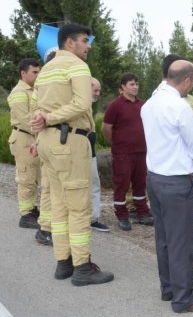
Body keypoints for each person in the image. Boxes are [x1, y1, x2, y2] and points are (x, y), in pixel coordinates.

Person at [30, 23, 113, 286]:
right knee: (78, 207)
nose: (88, 46)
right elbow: (81, 103)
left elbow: (37, 110)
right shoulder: (77, 66)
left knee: (58, 204)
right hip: (69, 140)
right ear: (70, 43)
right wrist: (52, 118)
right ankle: (82, 268)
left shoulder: (45, 70)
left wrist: (43, 124)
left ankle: (63, 263)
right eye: (85, 41)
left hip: (47, 142)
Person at [141, 59, 193, 313]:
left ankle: (169, 288)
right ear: (186, 80)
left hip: (155, 178)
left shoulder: (149, 104)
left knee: (164, 237)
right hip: (177, 182)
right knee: (182, 240)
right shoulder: (180, 107)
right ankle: (184, 298)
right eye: (191, 83)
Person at [102, 73, 152, 231]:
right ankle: (122, 215)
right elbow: (106, 128)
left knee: (140, 183)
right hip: (122, 153)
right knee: (122, 183)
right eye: (131, 84)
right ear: (123, 87)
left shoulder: (142, 105)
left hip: (141, 152)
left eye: (136, 84)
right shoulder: (115, 105)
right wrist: (117, 143)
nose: (135, 86)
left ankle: (142, 212)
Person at [8, 58, 41, 229]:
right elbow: (25, 118)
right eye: (34, 72)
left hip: (33, 137)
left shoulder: (34, 90)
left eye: (38, 71)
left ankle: (32, 207)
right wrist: (46, 125)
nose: (38, 74)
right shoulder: (19, 92)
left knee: (35, 176)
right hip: (23, 137)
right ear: (23, 73)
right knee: (26, 176)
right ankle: (26, 214)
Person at [89, 78, 110, 232]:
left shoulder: (88, 106)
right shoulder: (79, 106)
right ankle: (89, 218)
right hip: (81, 154)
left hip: (90, 153)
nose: (98, 94)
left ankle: (93, 217)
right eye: (95, 90)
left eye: (99, 90)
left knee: (94, 185)